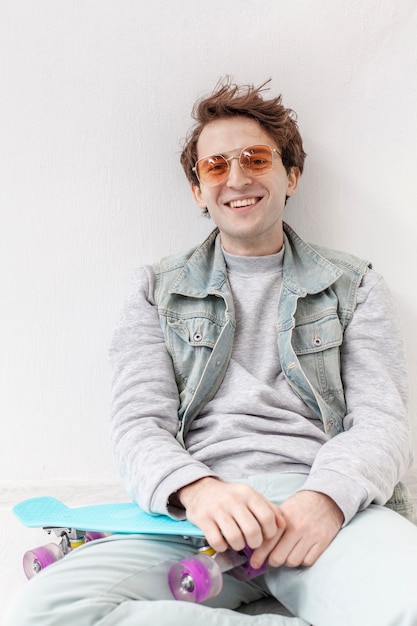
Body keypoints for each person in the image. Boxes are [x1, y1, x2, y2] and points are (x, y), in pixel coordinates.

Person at [6, 79, 417, 626]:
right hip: (194, 519)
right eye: (216, 166)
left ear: (290, 175)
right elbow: (137, 423)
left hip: (323, 507)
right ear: (199, 190)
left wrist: (327, 498)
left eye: (255, 158)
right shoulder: (155, 288)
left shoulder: (355, 285)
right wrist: (197, 491)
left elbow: (382, 422)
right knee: (45, 609)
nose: (238, 178)